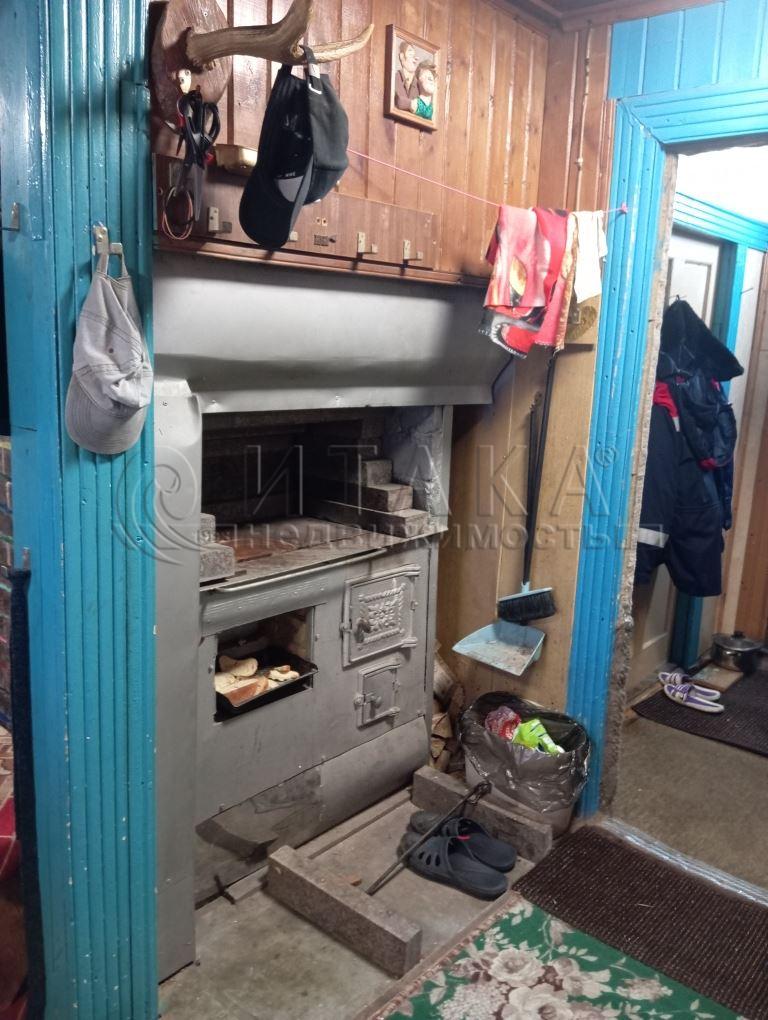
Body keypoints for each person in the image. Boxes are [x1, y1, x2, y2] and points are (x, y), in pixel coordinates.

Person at [394, 40, 419, 110]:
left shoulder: (418, 84)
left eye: (415, 56)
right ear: (402, 56)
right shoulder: (395, 78)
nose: (415, 59)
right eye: (411, 55)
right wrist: (412, 104)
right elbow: (398, 101)